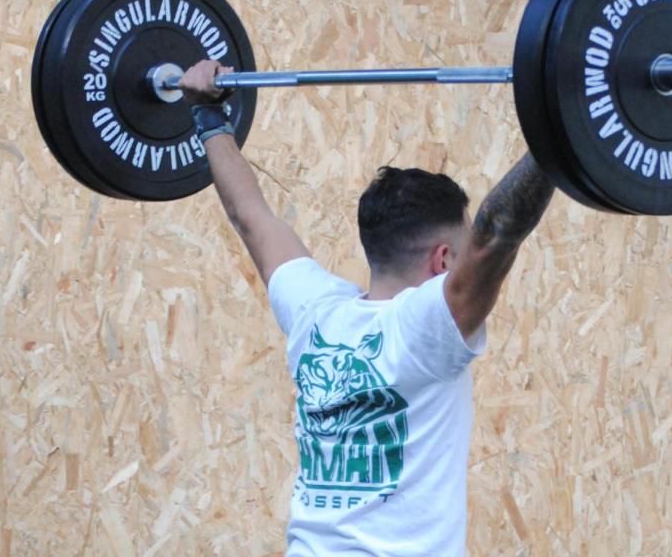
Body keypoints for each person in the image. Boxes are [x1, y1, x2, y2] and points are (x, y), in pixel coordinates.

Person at [179, 60, 555, 556]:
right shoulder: (423, 331)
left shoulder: (315, 315)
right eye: (461, 256)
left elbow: (249, 215)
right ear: (444, 260)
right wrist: (560, 137)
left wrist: (208, 118)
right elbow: (498, 231)